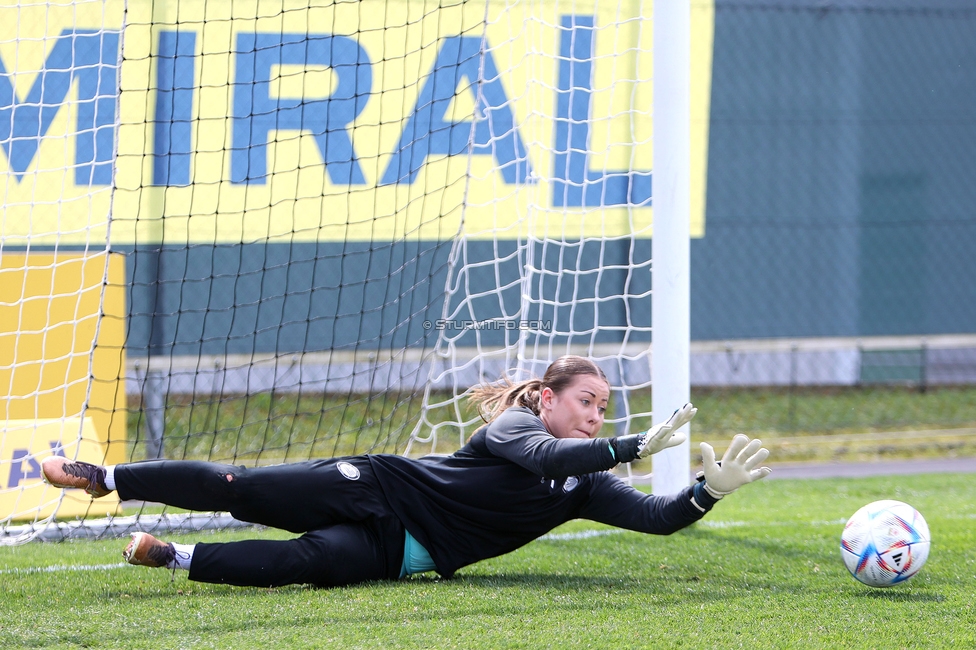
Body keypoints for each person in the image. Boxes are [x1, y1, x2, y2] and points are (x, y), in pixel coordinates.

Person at [41, 355, 772, 588]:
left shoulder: (588, 483)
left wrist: (709, 493)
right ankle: (107, 477)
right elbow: (547, 456)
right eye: (587, 402)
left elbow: (655, 518)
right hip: (382, 483)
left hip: (409, 551)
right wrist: (629, 445)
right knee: (247, 490)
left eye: (605, 408)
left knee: (312, 561)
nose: (596, 416)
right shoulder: (516, 426)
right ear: (547, 398)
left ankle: (175, 557)